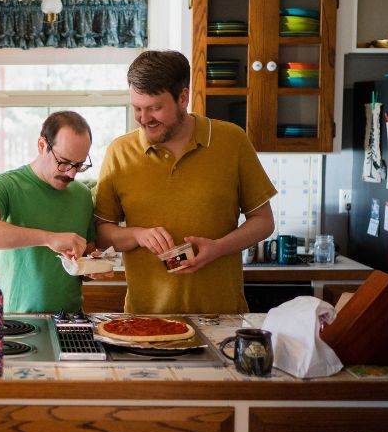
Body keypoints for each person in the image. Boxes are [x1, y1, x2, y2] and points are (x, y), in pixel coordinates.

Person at [95, 50, 277, 314]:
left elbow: (263, 221)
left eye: (155, 108)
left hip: (222, 316)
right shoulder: (119, 152)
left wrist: (218, 248)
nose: (144, 118)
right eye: (137, 108)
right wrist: (137, 234)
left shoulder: (231, 141)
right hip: (145, 318)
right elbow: (101, 233)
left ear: (183, 97)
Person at [0, 111, 98, 313]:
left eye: (78, 165)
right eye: (64, 162)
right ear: (42, 145)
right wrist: (48, 238)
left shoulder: (83, 195)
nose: (71, 173)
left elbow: (84, 255)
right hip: (16, 322)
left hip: (70, 321)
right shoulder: (7, 185)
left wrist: (93, 267)